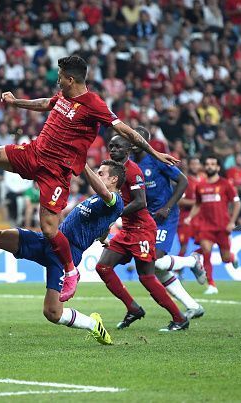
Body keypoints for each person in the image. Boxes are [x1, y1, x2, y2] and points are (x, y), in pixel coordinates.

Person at [0, 55, 179, 303]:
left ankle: (70, 270)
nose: (57, 80)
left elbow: (125, 130)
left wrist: (154, 152)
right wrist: (16, 103)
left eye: (59, 77)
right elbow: (47, 103)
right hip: (34, 153)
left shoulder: (94, 104)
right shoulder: (64, 96)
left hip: (55, 172)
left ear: (70, 79)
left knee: (48, 229)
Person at [0, 161, 127, 345]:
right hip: (50, 240)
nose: (97, 175)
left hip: (65, 255)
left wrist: (82, 164)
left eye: (101, 173)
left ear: (114, 179)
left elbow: (106, 202)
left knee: (52, 312)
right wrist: (103, 238)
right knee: (0, 236)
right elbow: (104, 224)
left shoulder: (115, 200)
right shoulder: (99, 200)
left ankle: (93, 324)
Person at [98, 135, 189, 332]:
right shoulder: (112, 171)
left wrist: (116, 214)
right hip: (128, 229)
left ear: (128, 150)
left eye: (117, 147)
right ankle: (133, 308)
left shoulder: (133, 171)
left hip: (142, 230)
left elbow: (141, 202)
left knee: (146, 277)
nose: (113, 149)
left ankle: (179, 318)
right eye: (111, 146)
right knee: (103, 267)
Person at [132, 127, 206, 320]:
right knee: (154, 267)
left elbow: (182, 181)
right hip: (146, 218)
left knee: (154, 259)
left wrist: (167, 207)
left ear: (144, 142)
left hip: (165, 216)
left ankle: (192, 261)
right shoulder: (130, 162)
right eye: (130, 136)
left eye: (137, 138)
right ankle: (193, 305)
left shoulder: (156, 160)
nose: (132, 140)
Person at [184, 156, 241, 295]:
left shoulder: (225, 184)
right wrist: (190, 217)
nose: (210, 166)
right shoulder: (200, 186)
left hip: (222, 226)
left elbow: (237, 203)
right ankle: (211, 285)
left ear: (218, 168)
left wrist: (232, 222)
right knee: (206, 251)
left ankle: (232, 257)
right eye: (207, 164)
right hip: (206, 226)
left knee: (225, 258)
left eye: (213, 164)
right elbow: (198, 204)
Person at [177, 157, 205, 257]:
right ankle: (177, 271)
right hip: (186, 217)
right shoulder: (185, 180)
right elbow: (180, 201)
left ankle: (195, 257)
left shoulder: (204, 180)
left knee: (206, 243)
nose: (194, 166)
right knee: (183, 247)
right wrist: (197, 202)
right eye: (192, 164)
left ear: (200, 166)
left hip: (201, 217)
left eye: (196, 164)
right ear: (189, 166)